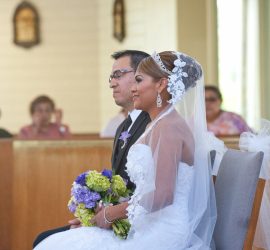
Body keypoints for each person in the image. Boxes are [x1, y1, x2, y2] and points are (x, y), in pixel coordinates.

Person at [34, 51, 216, 250]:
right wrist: (101, 215)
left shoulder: (169, 127)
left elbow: (163, 194)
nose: (134, 89)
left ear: (161, 85)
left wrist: (111, 214)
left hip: (161, 231)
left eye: (138, 80)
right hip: (144, 223)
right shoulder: (157, 124)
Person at [33, 50, 151, 247]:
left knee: (47, 242)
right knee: (43, 237)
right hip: (116, 216)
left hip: (139, 223)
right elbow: (119, 185)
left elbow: (148, 193)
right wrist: (92, 217)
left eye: (118, 75)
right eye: (111, 76)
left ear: (141, 76)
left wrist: (108, 217)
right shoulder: (123, 125)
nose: (112, 82)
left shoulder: (152, 124)